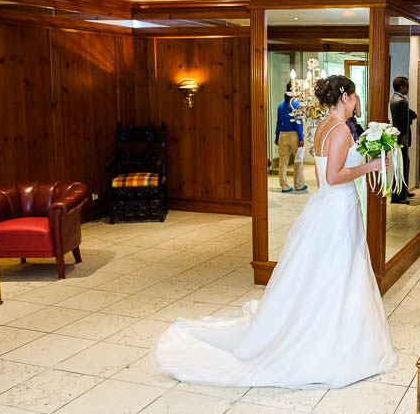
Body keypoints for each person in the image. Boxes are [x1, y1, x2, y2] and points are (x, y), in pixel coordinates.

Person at [153, 75, 396, 388]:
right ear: (346, 97)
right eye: (355, 96)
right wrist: (371, 166)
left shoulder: (324, 125)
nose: (357, 101)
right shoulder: (339, 130)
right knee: (339, 271)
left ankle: (336, 327)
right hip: (337, 209)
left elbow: (322, 180)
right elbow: (334, 177)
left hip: (330, 206)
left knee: (330, 271)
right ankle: (332, 339)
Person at [390, 76, 417, 204]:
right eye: (407, 85)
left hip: (398, 137)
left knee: (403, 164)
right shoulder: (401, 101)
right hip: (402, 138)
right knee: (402, 166)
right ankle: (398, 195)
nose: (408, 88)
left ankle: (403, 191)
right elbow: (412, 115)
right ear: (401, 87)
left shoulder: (394, 99)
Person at [275, 83, 306, 193]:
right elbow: (298, 123)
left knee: (283, 162)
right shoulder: (297, 104)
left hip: (282, 135)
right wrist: (301, 138)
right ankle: (299, 185)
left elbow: (278, 122)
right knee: (298, 160)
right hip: (294, 135)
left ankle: (284, 186)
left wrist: (276, 136)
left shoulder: (280, 105)